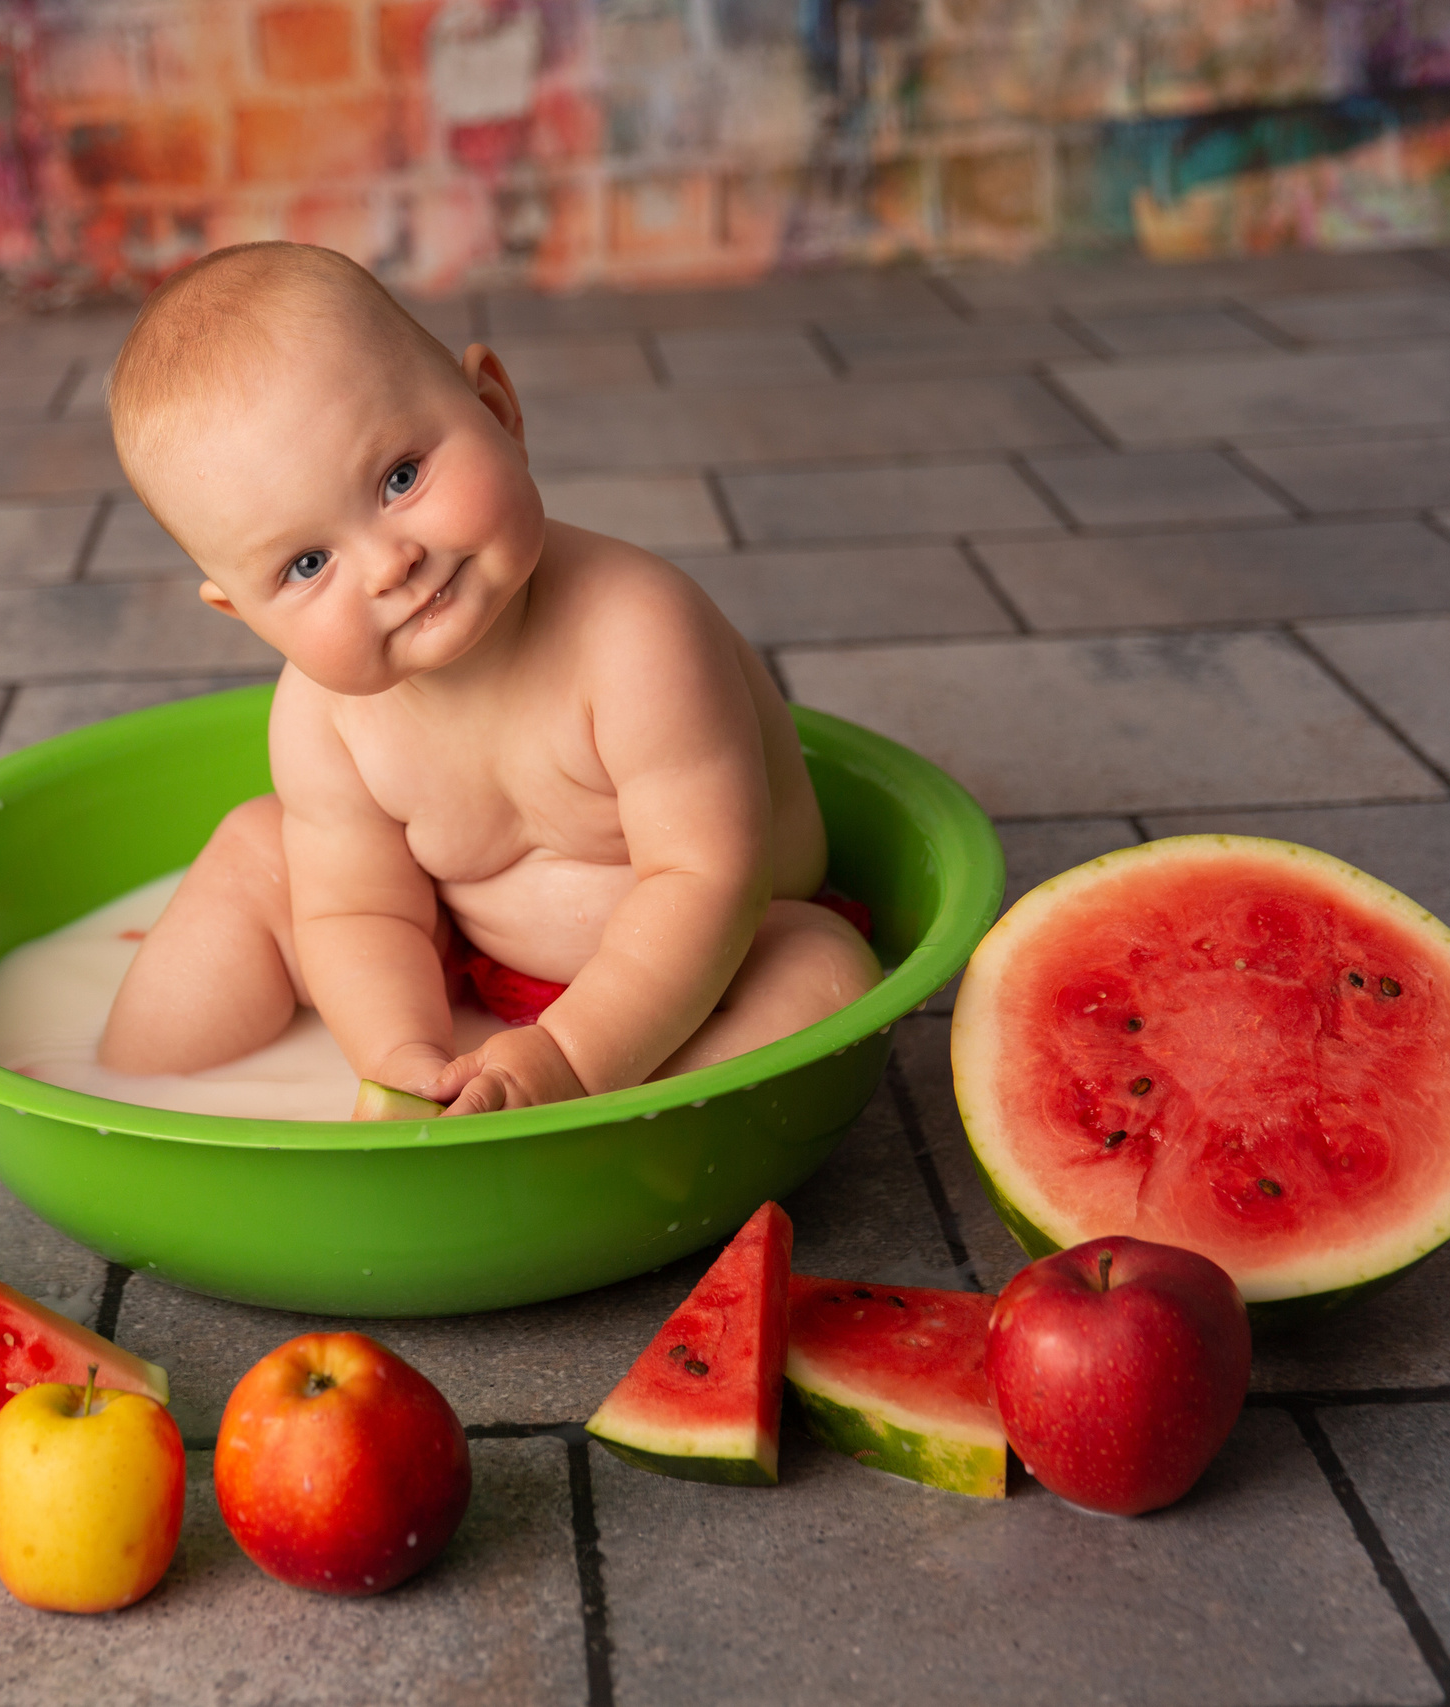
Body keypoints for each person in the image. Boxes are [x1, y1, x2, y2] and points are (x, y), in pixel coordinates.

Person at [94, 242, 881, 1117]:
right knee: (257, 849)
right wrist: (403, 1058)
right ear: (245, 613)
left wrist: (570, 1057)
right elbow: (361, 915)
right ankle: (117, 1094)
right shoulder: (324, 717)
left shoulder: (637, 632)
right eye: (308, 563)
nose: (390, 565)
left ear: (498, 410)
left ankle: (610, 1135)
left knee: (822, 968)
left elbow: (707, 880)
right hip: (464, 970)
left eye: (400, 477)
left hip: (700, 976)